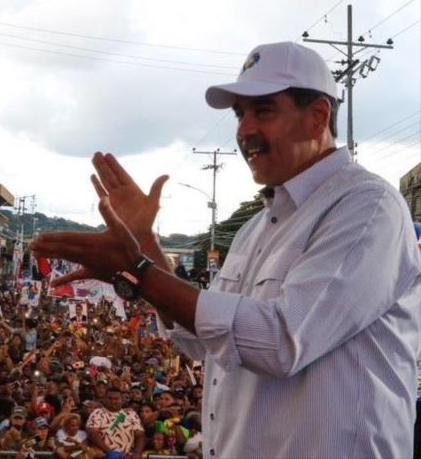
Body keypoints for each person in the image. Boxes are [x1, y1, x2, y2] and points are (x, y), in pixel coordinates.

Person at [31, 41, 421, 457]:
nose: (244, 130)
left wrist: (137, 270)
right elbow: (199, 339)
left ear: (318, 117)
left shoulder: (367, 206)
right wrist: (146, 248)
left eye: (263, 110)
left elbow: (279, 342)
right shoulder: (255, 229)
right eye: (239, 114)